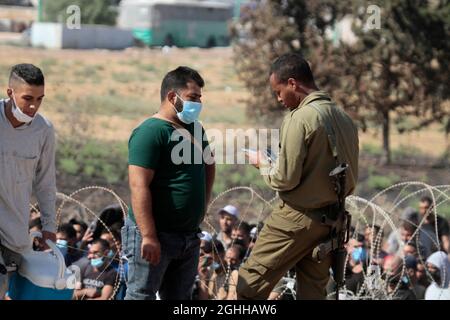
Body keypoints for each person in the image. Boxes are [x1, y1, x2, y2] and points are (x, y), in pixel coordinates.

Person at [237, 53, 359, 300]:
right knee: (313, 294)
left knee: (248, 286)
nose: (278, 98)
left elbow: (285, 179)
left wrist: (263, 164)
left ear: (293, 83)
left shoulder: (299, 118)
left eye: (278, 90)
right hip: (330, 222)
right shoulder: (344, 119)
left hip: (295, 219)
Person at [123, 66, 215, 300]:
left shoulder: (195, 128)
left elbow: (209, 165)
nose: (198, 103)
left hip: (188, 236)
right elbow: (139, 185)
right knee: (141, 296)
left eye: (199, 98)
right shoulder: (150, 132)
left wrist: (201, 208)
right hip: (156, 235)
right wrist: (148, 235)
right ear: (173, 97)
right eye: (193, 97)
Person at [0, 64, 57, 300]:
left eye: (39, 99)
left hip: (13, 231)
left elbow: (45, 183)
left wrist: (49, 228)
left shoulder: (43, 130)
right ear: (10, 92)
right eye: (27, 98)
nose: (33, 106)